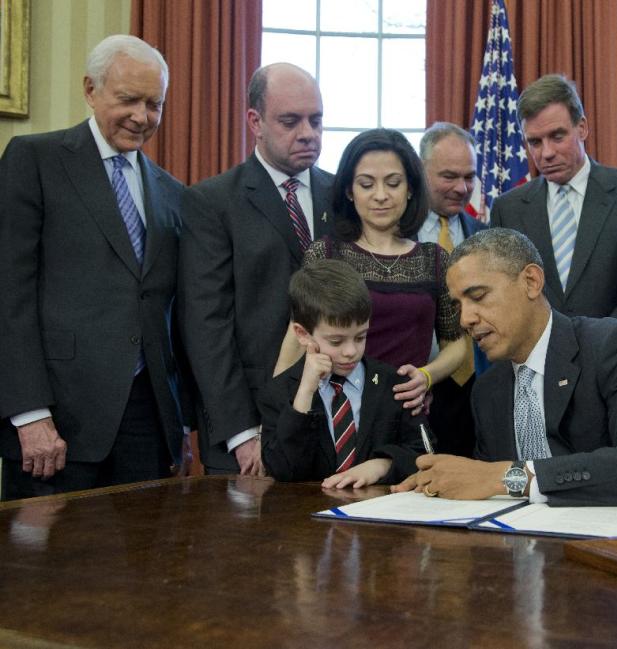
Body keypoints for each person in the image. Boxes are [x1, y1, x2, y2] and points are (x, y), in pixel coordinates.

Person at [0, 35, 187, 498]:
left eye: (154, 104)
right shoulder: (34, 160)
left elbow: (171, 313)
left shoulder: (172, 192)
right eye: (128, 99)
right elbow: (8, 295)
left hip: (148, 426)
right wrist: (29, 413)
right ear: (90, 89)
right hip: (56, 425)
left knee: (142, 569)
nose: (141, 117)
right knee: (45, 569)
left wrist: (178, 422)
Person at [394, 228, 617, 506]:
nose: (465, 319)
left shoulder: (612, 345)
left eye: (478, 296)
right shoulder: (487, 390)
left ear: (531, 282)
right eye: (458, 306)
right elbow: (484, 490)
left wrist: (509, 477)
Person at [178, 63, 335, 475]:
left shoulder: (344, 196)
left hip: (334, 421)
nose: (307, 133)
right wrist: (241, 433)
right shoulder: (212, 202)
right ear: (255, 121)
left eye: (315, 120)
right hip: (249, 428)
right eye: (290, 121)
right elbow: (206, 325)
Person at [274, 128, 471, 417]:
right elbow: (296, 340)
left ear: (411, 189)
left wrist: (426, 376)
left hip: (404, 413)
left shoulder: (435, 259)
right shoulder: (326, 254)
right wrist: (277, 414)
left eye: (393, 183)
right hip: (334, 414)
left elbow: (456, 345)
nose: (381, 196)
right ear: (348, 192)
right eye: (367, 185)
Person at [490, 74, 617, 334]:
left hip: (614, 360)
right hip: (536, 362)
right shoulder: (508, 209)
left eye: (557, 136)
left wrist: (596, 348)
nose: (547, 153)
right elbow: (503, 293)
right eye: (535, 142)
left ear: (582, 128)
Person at [260, 260, 428, 484]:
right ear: (302, 334)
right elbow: (284, 471)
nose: (350, 351)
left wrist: (383, 464)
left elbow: (426, 454)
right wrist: (305, 394)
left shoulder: (395, 385)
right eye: (336, 341)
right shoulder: (280, 391)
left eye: (360, 337)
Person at [416, 122, 488, 456]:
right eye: (449, 176)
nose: (462, 188)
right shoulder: (397, 235)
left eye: (469, 177)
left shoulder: (487, 236)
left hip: (479, 389)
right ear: (421, 169)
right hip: (418, 389)